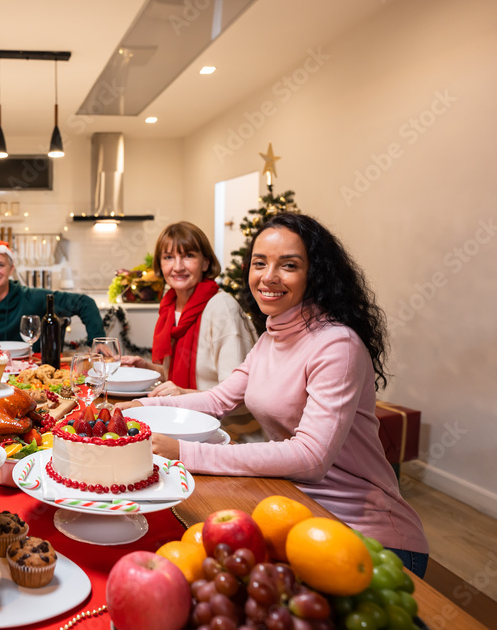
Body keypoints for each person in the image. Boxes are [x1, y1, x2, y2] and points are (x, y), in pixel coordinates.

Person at [118, 213, 428, 574]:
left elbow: (310, 457)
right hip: (296, 513)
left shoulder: (336, 344)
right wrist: (138, 407)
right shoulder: (271, 337)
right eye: (259, 263)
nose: (268, 277)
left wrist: (185, 451)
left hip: (364, 537)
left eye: (289, 265)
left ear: (315, 273)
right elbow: (218, 399)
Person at [120, 222, 260, 440]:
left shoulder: (222, 309)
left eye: (188, 256)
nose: (177, 266)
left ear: (205, 262)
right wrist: (150, 368)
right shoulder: (170, 308)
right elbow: (192, 374)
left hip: (228, 436)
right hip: (181, 424)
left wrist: (183, 395)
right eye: (168, 257)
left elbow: (242, 399)